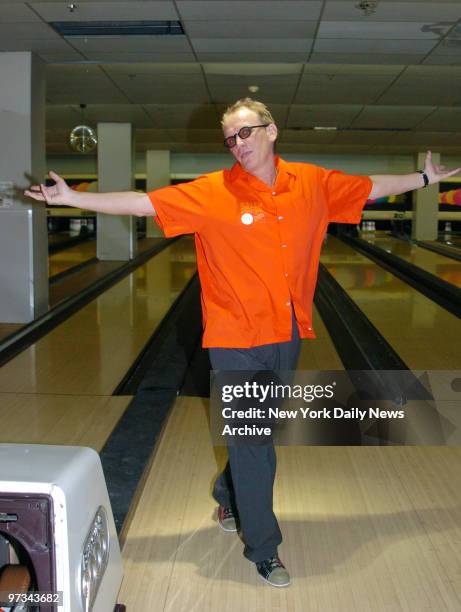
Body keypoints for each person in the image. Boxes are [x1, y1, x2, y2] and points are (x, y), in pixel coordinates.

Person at [25, 98, 460, 588]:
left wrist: (423, 181)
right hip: (234, 335)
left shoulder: (313, 183)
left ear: (271, 131)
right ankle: (264, 547)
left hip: (290, 328)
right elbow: (146, 202)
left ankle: (227, 492)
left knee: (259, 431)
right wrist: (73, 199)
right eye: (230, 139)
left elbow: (369, 189)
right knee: (254, 441)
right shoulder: (212, 192)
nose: (238, 145)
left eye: (246, 133)